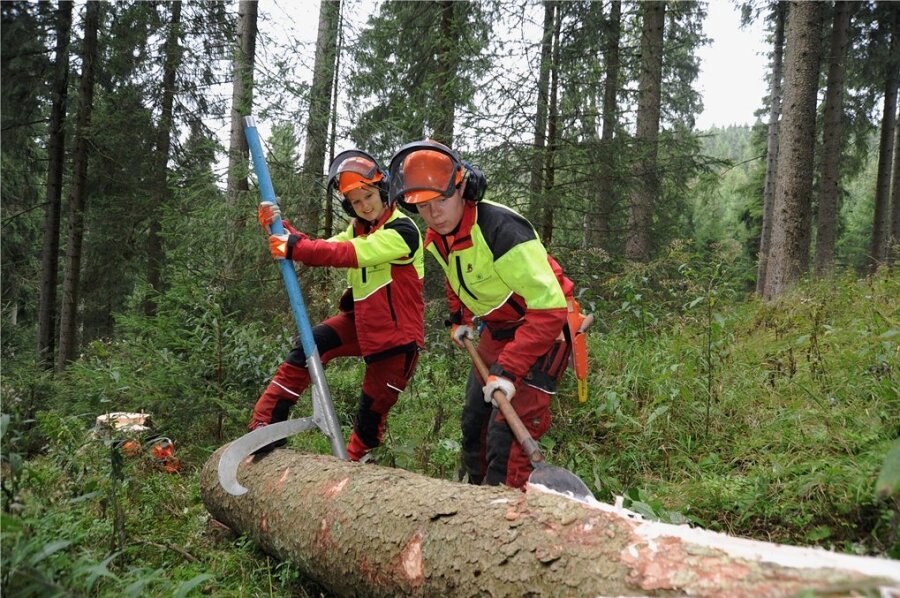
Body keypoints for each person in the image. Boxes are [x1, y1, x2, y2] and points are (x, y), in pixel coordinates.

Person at [388, 140, 576, 489]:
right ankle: (476, 499)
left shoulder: (501, 231)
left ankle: (507, 508)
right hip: (499, 328)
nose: (434, 213)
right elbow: (455, 276)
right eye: (424, 206)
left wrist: (508, 370)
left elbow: (550, 310)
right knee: (475, 420)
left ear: (463, 188)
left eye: (442, 201)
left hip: (544, 330)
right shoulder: (440, 235)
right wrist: (460, 318)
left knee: (506, 436)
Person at [249, 149, 425, 461]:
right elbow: (328, 246)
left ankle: (355, 468)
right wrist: (282, 229)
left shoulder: (404, 232)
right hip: (362, 323)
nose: (364, 206)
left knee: (370, 414)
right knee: (310, 344)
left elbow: (349, 254)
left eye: (368, 196)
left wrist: (294, 247)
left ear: (383, 191)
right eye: (356, 202)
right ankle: (264, 426)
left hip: (396, 342)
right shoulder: (358, 229)